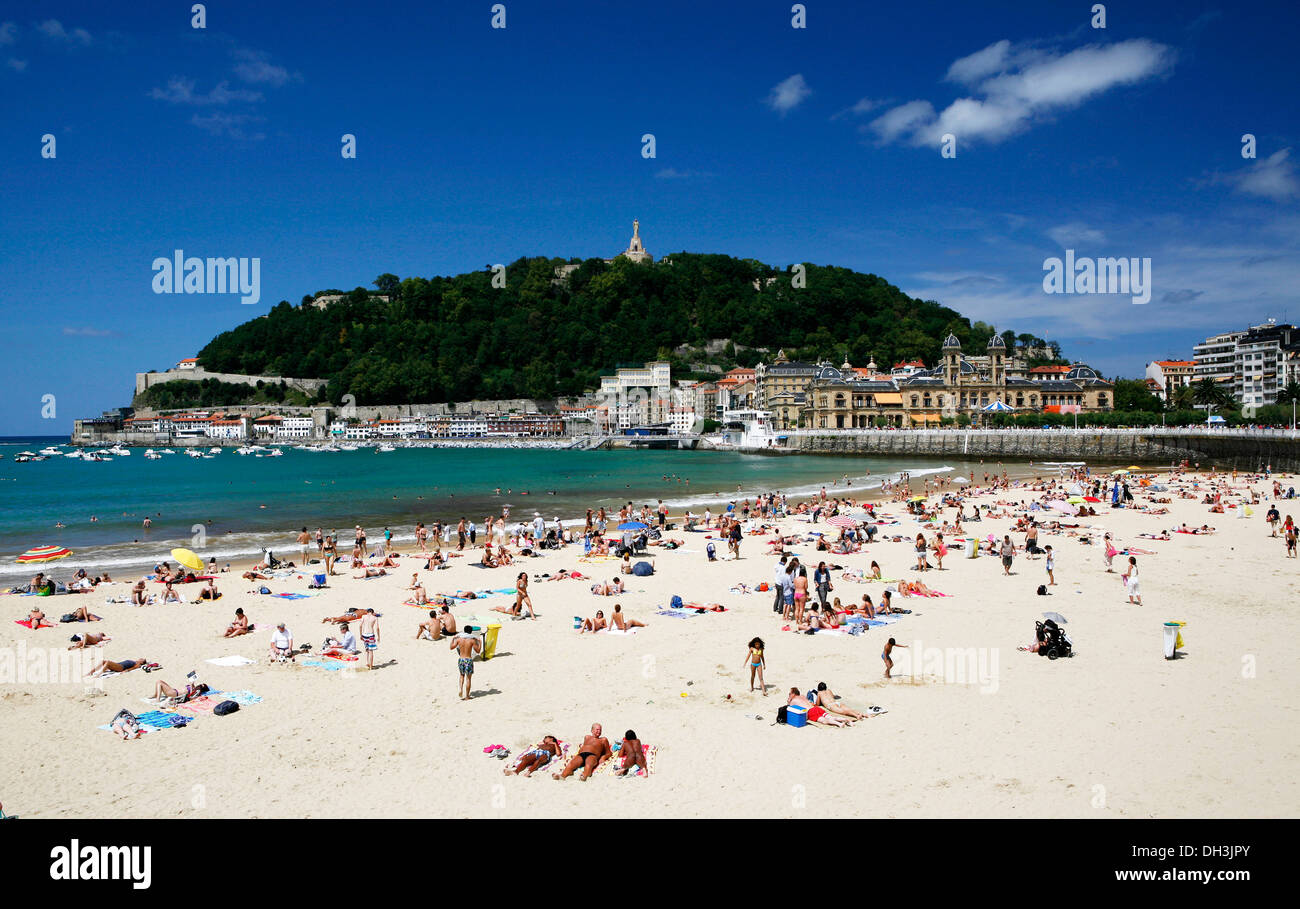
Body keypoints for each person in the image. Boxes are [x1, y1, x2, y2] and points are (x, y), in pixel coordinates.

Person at [786, 688, 852, 727]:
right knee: (831, 717)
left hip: (810, 712)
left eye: (790, 693)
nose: (789, 695)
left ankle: (839, 724)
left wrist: (789, 700)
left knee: (824, 721)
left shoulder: (793, 701)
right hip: (816, 708)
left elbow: (789, 707)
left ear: (793, 694)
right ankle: (846, 720)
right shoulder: (803, 696)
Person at [451, 627, 482, 700]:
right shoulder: (472, 640)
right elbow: (478, 651)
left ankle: (461, 689)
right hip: (468, 660)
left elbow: (451, 647)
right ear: (471, 632)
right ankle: (467, 696)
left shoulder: (459, 639)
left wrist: (453, 639)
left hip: (461, 659)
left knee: (461, 676)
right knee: (468, 679)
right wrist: (480, 643)